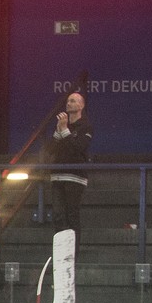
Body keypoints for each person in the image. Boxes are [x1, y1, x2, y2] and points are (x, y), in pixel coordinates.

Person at [47, 91, 92, 233]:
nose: (68, 103)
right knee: (58, 216)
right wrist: (58, 131)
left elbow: (78, 147)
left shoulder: (86, 126)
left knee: (72, 215)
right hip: (58, 175)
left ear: (81, 105)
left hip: (75, 177)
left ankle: (73, 254)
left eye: (73, 101)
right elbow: (50, 149)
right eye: (68, 101)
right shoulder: (62, 125)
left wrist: (65, 130)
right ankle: (62, 251)